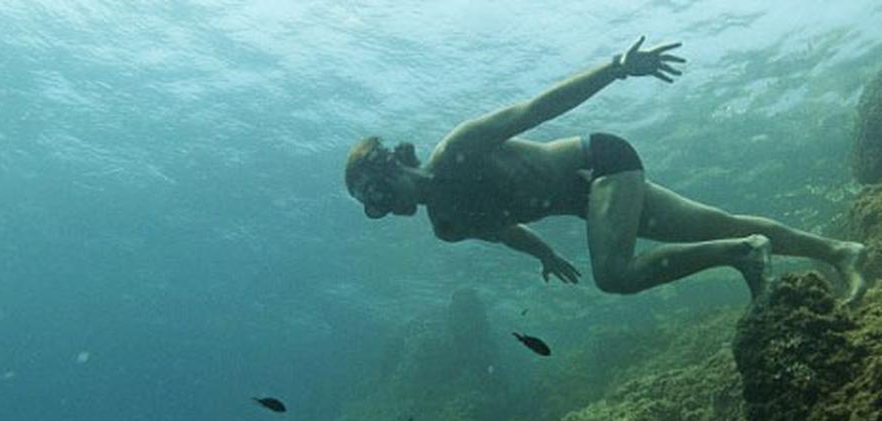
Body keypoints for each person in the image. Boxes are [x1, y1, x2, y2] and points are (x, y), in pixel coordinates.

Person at [344, 37, 868, 303]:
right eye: (371, 208)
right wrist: (544, 253)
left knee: (613, 274)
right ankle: (842, 252)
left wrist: (615, 69)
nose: (381, 207)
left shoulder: (460, 147)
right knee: (718, 221)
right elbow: (504, 231)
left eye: (375, 191)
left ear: (391, 163)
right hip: (593, 199)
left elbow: (536, 109)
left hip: (601, 161)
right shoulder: (447, 226)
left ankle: (744, 255)